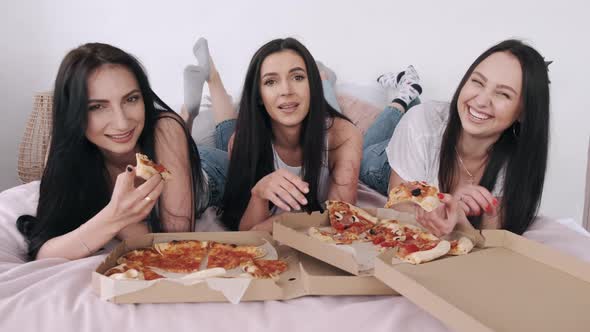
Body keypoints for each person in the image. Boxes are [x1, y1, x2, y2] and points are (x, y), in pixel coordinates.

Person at [16, 43, 227, 261]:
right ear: (72, 112)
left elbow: (176, 240)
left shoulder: (165, 128)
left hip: (213, 174)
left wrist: (112, 220)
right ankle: (189, 117)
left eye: (131, 99)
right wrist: (114, 217)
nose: (122, 122)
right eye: (97, 106)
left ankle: (211, 78)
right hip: (175, 153)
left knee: (227, 136)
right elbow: (44, 253)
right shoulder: (63, 148)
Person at [365, 39, 550, 236]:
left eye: (503, 94)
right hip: (380, 164)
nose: (480, 101)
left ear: (523, 112)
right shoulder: (421, 124)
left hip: (422, 138)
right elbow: (398, 207)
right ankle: (402, 98)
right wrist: (447, 203)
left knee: (417, 114)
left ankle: (409, 94)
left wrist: (458, 217)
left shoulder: (517, 164)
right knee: (371, 140)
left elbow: (490, 236)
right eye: (477, 82)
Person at [210, 38, 363, 232]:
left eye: (297, 77)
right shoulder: (242, 141)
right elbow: (248, 235)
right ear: (259, 95)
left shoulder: (344, 135)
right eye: (271, 81)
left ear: (313, 85)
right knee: (224, 131)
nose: (286, 90)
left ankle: (327, 81)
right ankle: (213, 80)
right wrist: (259, 195)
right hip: (249, 128)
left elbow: (342, 221)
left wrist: (279, 223)